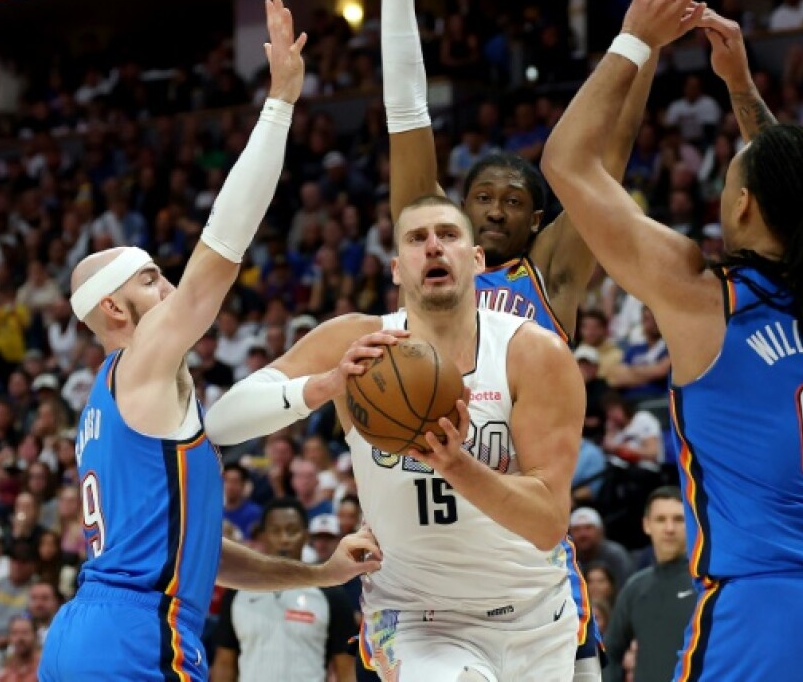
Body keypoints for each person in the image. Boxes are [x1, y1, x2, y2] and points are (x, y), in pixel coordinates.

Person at [541, 0, 803, 679]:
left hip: (771, 610)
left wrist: (637, 34)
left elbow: (567, 162)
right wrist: (740, 83)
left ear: (742, 203)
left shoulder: (705, 294)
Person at [379, 0, 718, 679]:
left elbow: (606, 157)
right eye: (480, 201)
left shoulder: (552, 272)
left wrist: (649, 37)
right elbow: (407, 115)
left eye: (513, 203)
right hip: (429, 557)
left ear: (540, 223)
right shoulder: (431, 250)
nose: (492, 213)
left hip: (528, 549)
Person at [38, 0, 382, 682]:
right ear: (113, 309)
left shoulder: (123, 407)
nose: (167, 291)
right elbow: (220, 255)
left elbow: (207, 556)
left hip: (97, 631)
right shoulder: (136, 367)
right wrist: (281, 102)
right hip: (138, 636)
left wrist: (318, 571)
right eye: (151, 280)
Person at [215, 194, 587, 681]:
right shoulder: (355, 343)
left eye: (449, 235)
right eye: (417, 238)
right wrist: (325, 385)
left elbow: (546, 525)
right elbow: (222, 421)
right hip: (415, 617)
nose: (434, 247)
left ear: (476, 259)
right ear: (395, 269)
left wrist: (458, 465)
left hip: (536, 616)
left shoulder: (532, 353)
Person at [212, 498, 358, 682]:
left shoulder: (332, 594)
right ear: (263, 536)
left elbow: (346, 668)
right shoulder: (236, 590)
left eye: (292, 530)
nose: (284, 539)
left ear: (306, 536)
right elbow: (225, 662)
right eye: (276, 531)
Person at [602, 487, 696, 682]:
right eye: (661, 519)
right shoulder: (635, 587)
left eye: (679, 519)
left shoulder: (707, 584)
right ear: (647, 525)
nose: (669, 528)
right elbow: (609, 653)